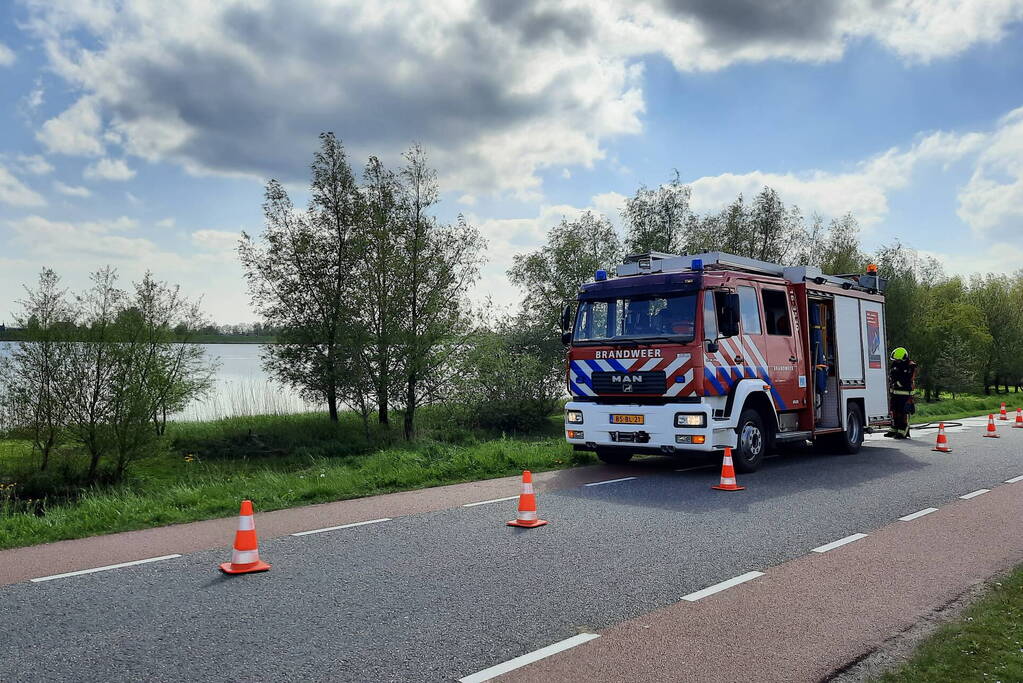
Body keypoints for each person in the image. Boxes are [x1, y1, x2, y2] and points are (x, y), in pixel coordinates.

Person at [885, 347, 917, 439]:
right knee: (894, 411)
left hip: (906, 394)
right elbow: (892, 375)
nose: (896, 361)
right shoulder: (895, 364)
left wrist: (897, 383)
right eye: (895, 360)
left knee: (903, 413)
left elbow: (908, 379)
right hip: (895, 394)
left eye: (898, 360)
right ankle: (894, 429)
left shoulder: (910, 365)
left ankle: (903, 431)